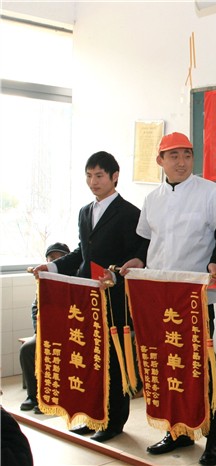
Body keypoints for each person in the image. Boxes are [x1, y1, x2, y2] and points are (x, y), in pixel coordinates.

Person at [120, 132, 216, 466]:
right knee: (169, 362)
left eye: (187, 155)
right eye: (173, 156)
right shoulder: (152, 199)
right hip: (159, 294)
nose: (181, 162)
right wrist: (137, 259)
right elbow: (146, 241)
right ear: (160, 160)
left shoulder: (209, 192)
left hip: (193, 295)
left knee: (203, 367)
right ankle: (178, 430)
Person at [32, 151, 146, 443]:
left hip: (114, 298)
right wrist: (52, 267)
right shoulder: (85, 211)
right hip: (85, 298)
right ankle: (94, 415)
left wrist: (116, 274)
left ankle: (114, 421)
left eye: (99, 176)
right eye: (89, 176)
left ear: (114, 177)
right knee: (90, 360)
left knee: (114, 361)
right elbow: (82, 254)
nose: (93, 182)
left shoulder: (130, 213)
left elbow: (138, 256)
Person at [19, 242, 71, 414]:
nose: (55, 261)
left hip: (68, 332)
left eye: (60, 258)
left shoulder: (75, 278)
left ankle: (55, 398)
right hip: (45, 331)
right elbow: (36, 308)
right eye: (51, 258)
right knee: (27, 349)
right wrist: (40, 330)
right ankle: (33, 396)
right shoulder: (43, 281)